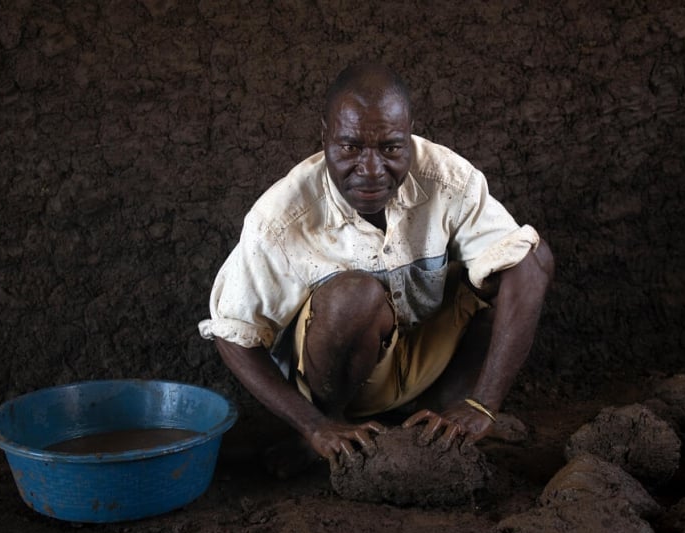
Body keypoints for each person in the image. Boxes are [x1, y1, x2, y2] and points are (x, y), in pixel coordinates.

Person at [199, 63, 553, 477]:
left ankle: (452, 415)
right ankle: (327, 436)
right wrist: (313, 424)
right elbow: (231, 334)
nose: (370, 169)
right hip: (336, 386)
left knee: (527, 258)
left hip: (427, 357)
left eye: (390, 148)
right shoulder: (282, 216)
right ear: (325, 136)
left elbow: (527, 271)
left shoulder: (448, 179)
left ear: (410, 134)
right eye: (350, 147)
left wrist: (486, 404)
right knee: (355, 297)